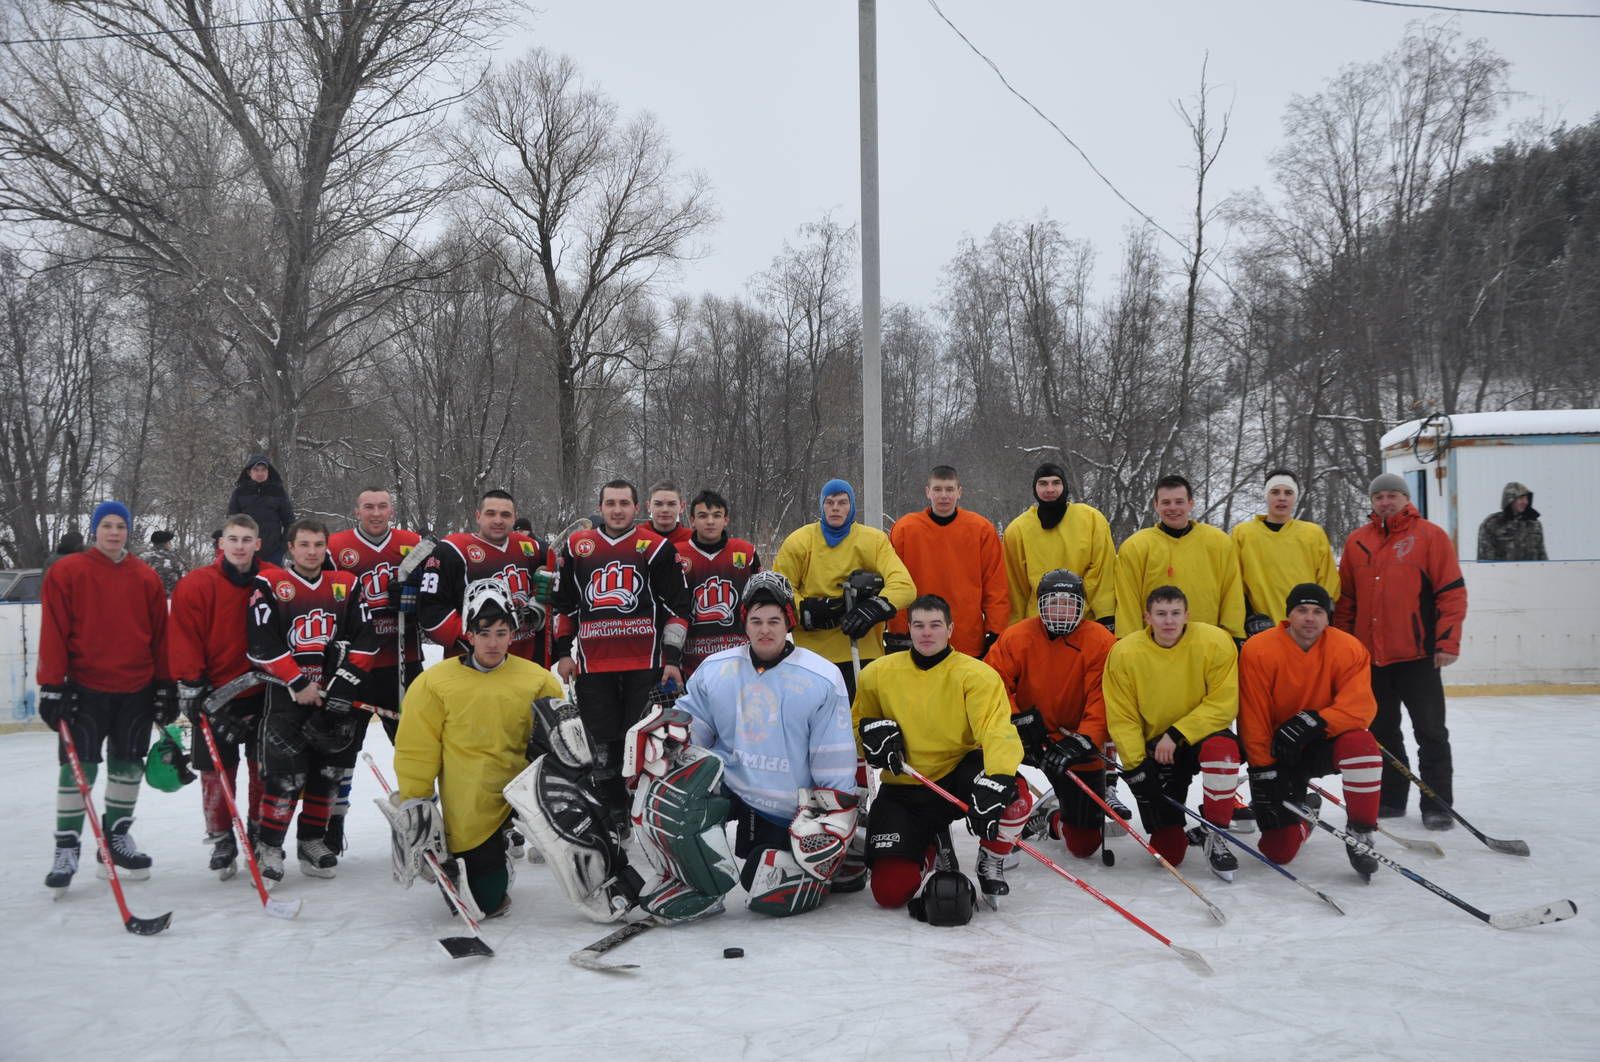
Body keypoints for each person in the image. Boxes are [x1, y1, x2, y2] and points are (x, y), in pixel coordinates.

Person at [620, 571, 861, 920]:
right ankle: (699, 885)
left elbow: (834, 758)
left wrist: (832, 822)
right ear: (744, 623)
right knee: (667, 796)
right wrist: (663, 738)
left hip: (789, 806)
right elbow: (692, 730)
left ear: (788, 622)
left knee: (763, 883)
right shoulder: (716, 668)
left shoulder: (821, 677)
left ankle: (839, 863)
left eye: (774, 621)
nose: (765, 630)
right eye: (757, 620)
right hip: (733, 786)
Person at [392, 579, 565, 920]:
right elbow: (416, 748)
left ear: (512, 635)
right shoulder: (434, 684)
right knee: (485, 902)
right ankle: (483, 859)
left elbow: (560, 741)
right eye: (484, 633)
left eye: (502, 633)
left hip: (525, 792)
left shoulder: (538, 679)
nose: (493, 642)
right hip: (471, 803)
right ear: (469, 634)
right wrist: (416, 799)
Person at [854, 595, 1031, 918]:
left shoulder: (975, 675)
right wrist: (870, 735)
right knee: (890, 892)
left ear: (950, 629)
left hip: (955, 775)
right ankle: (927, 846)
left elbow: (997, 730)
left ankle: (992, 857)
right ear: (907, 628)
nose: (926, 633)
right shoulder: (877, 674)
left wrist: (999, 776)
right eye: (918, 625)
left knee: (1014, 795)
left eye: (935, 625)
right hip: (905, 785)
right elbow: (857, 728)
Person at [37, 500, 174, 891]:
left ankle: (115, 839)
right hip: (84, 686)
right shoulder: (67, 572)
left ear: (128, 531)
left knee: (128, 765)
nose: (114, 532)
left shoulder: (145, 577)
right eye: (107, 525)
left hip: (136, 687)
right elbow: (54, 630)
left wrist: (165, 684)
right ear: (95, 530)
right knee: (79, 765)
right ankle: (67, 847)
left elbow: (160, 635)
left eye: (121, 526)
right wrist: (51, 684)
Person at [551, 479, 692, 830]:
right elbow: (563, 605)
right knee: (602, 745)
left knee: (639, 742)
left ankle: (641, 808)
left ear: (636, 507)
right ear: (600, 507)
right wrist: (562, 653)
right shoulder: (577, 546)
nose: (617, 510)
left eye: (624, 503)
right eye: (610, 503)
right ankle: (613, 811)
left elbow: (678, 608)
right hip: (593, 663)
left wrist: (672, 658)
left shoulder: (655, 547)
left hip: (643, 664)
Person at [246, 519, 378, 884]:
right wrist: (297, 680)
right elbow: (261, 644)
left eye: (318, 545)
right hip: (287, 696)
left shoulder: (347, 585)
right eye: (304, 544)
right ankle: (270, 845)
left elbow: (367, 640)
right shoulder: (271, 584)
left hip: (334, 695)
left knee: (328, 772)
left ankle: (312, 841)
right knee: (286, 775)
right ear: (291, 547)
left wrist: (344, 684)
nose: (311, 551)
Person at [1333, 473, 1467, 830]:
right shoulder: (1357, 541)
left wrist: (1446, 643)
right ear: (1372, 502)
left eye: (1393, 495)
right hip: (1370, 660)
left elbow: (1451, 593)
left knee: (1431, 732)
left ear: (1406, 499)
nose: (1386, 502)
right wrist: (1345, 649)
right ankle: (1392, 799)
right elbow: (1346, 601)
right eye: (1380, 497)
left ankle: (1437, 804)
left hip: (1418, 656)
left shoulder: (1430, 537)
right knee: (1381, 732)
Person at [1239, 584, 1383, 879]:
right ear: (1288, 614)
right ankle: (1308, 816)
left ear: (1328, 616)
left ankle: (1361, 830)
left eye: (1318, 611)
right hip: (1279, 752)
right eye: (1301, 610)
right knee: (1278, 852)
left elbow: (1360, 708)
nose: (1309, 618)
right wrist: (1263, 771)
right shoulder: (1259, 650)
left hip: (1324, 743)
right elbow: (1253, 717)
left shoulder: (1348, 648)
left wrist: (1314, 722)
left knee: (1363, 744)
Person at [1103, 585, 1242, 880]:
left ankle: (1216, 831)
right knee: (1169, 853)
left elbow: (1223, 704)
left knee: (1224, 752)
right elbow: (1122, 717)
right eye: (1161, 614)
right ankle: (1176, 827)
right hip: (1157, 750)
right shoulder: (1125, 652)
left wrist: (1178, 734)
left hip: (1199, 737)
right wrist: (1136, 766)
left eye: (1176, 613)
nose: (1169, 621)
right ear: (1147, 617)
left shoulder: (1215, 642)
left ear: (1187, 615)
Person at [168, 514, 272, 878]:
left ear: (257, 544)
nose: (240, 545)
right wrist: (191, 683)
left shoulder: (272, 579)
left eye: (247, 539)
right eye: (234, 539)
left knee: (263, 769)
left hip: (264, 693)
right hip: (216, 695)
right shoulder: (196, 585)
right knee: (216, 772)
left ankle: (259, 834)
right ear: (221, 544)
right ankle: (222, 837)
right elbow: (184, 635)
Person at [985, 570, 1116, 859]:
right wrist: (1015, 719)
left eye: (1069, 602)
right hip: (1028, 738)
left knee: (1084, 845)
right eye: (1053, 601)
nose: (1061, 609)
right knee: (987, 763)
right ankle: (1005, 823)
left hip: (1072, 741)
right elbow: (990, 682)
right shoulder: (1017, 636)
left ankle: (1051, 818)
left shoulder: (1101, 641)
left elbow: (1104, 696)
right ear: (1040, 605)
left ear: (1082, 606)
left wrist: (1086, 740)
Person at [326, 486, 424, 849]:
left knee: (413, 745)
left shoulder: (413, 543)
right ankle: (333, 823)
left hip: (402, 659)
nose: (376, 512)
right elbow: (324, 596)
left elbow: (433, 592)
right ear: (357, 510)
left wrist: (414, 601)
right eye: (369, 506)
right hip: (353, 664)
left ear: (392, 509)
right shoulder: (336, 548)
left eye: (382, 506)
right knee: (342, 746)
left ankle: (417, 816)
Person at [773, 478, 916, 700]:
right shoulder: (799, 541)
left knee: (857, 724)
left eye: (842, 502)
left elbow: (905, 586)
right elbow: (778, 587)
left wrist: (873, 607)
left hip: (863, 653)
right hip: (812, 657)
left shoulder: (873, 541)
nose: (835, 508)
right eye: (829, 503)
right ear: (821, 505)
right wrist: (807, 610)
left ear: (852, 506)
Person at [415, 488, 554, 667]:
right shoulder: (452, 549)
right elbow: (431, 612)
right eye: (491, 513)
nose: (498, 520)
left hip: (523, 664)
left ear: (514, 517)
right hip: (472, 665)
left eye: (505, 514)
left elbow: (560, 577)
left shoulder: (530, 547)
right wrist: (480, 632)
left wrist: (542, 598)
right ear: (478, 516)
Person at [885, 464, 1009, 657]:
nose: (944, 495)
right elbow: (895, 584)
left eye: (950, 489)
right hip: (919, 638)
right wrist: (898, 632)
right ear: (928, 492)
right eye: (937, 489)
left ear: (959, 492)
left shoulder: (981, 529)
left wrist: (995, 631)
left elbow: (996, 587)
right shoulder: (905, 530)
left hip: (967, 639)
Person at [1114, 474, 1245, 642]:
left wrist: (1233, 635)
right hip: (1155, 645)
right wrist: (1129, 641)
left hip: (1207, 642)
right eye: (1166, 502)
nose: (1173, 508)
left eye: (1179, 501)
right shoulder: (1136, 547)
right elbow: (1127, 601)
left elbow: (1232, 593)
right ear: (1156, 505)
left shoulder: (1218, 542)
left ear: (1191, 503)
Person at [1003, 462, 1116, 630]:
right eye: (1043, 483)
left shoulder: (1091, 519)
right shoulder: (1017, 530)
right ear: (1035, 488)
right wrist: (1014, 626)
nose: (1050, 489)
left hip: (1084, 621)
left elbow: (1102, 572)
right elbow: (1015, 586)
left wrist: (1106, 614)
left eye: (1056, 483)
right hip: (1038, 625)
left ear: (1065, 485)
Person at [1230, 469, 1339, 631]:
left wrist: (1320, 616)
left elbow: (1328, 583)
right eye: (1275, 492)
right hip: (1261, 627)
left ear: (1295, 497)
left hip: (1305, 628)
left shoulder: (1313, 534)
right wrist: (1248, 617)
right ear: (1266, 495)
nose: (1282, 498)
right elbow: (1234, 581)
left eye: (1288, 493)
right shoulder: (1244, 534)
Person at [676, 489, 763, 676]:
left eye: (716, 515)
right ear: (692, 520)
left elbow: (761, 602)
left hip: (739, 655)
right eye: (703, 516)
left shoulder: (745, 552)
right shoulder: (678, 555)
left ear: (726, 520)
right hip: (693, 658)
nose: (710, 521)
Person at [226, 454, 295, 565]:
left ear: (268, 472)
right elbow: (232, 522)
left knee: (272, 582)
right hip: (245, 551)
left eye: (263, 470)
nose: (260, 473)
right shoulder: (239, 492)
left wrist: (282, 548)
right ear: (249, 472)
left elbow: (290, 522)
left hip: (273, 553)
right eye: (256, 470)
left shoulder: (278, 492)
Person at [1477, 482, 1547, 562]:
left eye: (1526, 498)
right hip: (1501, 573)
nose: (1525, 502)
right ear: (1509, 500)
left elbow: (1542, 558)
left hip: (1531, 573)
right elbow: (1485, 561)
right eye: (1521, 498)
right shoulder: (1492, 524)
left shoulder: (1534, 525)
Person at [643, 480, 693, 545]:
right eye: (658, 504)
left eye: (671, 504)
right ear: (648, 506)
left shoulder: (692, 539)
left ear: (682, 507)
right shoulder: (635, 535)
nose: (665, 510)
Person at [143, 530, 187, 596]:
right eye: (170, 542)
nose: (171, 545)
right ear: (166, 543)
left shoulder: (143, 557)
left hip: (149, 599)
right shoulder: (176, 558)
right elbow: (187, 578)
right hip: (171, 600)